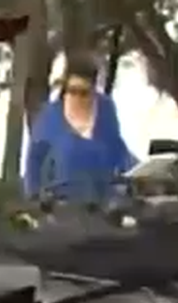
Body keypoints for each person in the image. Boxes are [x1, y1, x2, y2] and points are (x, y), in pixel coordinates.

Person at [24, 53, 137, 203]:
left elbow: (116, 147)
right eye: (72, 91)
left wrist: (135, 175)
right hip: (64, 201)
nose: (77, 98)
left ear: (93, 89)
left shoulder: (105, 109)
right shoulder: (51, 115)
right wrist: (33, 193)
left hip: (102, 200)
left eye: (84, 93)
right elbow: (34, 158)